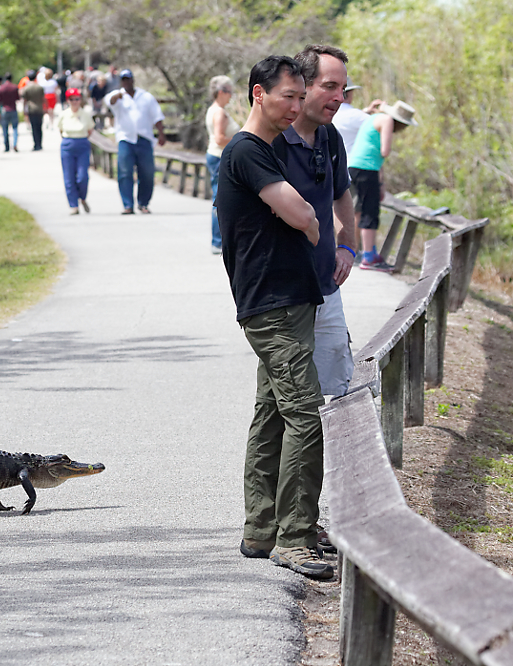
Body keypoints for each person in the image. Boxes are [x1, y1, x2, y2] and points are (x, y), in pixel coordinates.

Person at [215, 55, 333, 580]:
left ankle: (261, 529)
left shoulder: (270, 148)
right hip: (272, 305)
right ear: (258, 93)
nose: (297, 104)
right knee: (305, 414)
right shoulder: (246, 151)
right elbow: (300, 211)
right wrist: (310, 228)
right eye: (288, 95)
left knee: (272, 413)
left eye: (300, 94)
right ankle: (295, 538)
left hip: (289, 301)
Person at [272, 44, 357, 400]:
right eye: (330, 86)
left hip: (326, 286)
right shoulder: (271, 142)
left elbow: (342, 195)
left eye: (342, 88)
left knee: (340, 390)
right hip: (285, 294)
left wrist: (348, 247)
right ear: (303, 85)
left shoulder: (330, 137)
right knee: (293, 399)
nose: (339, 97)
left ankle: (336, 458)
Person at [347, 99, 418, 271]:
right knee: (370, 212)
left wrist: (381, 183)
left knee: (360, 209)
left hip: (355, 167)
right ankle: (369, 256)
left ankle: (368, 252)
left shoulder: (373, 118)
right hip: (366, 169)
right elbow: (384, 151)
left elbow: (375, 156)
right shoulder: (386, 120)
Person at [105, 69, 166, 215]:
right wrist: (118, 96)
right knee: (125, 172)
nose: (126, 82)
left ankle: (143, 203)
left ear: (133, 80)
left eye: (128, 79)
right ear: (121, 82)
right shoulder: (117, 96)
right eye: (123, 80)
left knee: (147, 173)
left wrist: (162, 134)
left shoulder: (146, 97)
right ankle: (127, 205)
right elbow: (109, 101)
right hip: (126, 139)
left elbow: (157, 116)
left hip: (144, 139)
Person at [206, 75, 240, 254]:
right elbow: (220, 138)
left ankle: (219, 240)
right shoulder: (219, 112)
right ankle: (218, 240)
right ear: (221, 92)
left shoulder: (214, 109)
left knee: (219, 198)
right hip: (219, 157)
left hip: (214, 155)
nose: (231, 96)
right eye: (229, 92)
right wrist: (240, 140)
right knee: (220, 200)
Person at [56, 88, 95, 215]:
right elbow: (61, 130)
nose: (74, 102)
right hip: (68, 144)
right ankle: (73, 205)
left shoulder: (85, 114)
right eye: (72, 99)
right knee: (69, 177)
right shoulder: (64, 114)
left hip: (82, 143)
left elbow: (90, 130)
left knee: (82, 176)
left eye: (77, 99)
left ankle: (82, 197)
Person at [332, 77, 383, 158]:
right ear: (348, 94)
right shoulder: (354, 115)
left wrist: (367, 110)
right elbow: (379, 123)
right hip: (352, 163)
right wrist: (382, 112)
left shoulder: (331, 113)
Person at [20, 70, 46, 151]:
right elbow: (43, 98)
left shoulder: (26, 88)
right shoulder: (39, 87)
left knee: (34, 127)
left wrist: (24, 109)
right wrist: (46, 108)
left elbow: (24, 100)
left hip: (31, 109)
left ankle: (36, 144)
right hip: (39, 108)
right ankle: (40, 144)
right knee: (39, 127)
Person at [0, 73, 20, 152]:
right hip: (13, 109)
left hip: (4, 110)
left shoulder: (1, 88)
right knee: (15, 128)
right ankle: (14, 144)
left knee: (5, 129)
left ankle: (6, 146)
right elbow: (18, 98)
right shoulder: (14, 87)